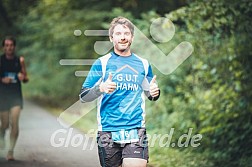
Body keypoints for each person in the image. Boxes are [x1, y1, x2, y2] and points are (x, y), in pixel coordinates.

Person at [79, 16, 160, 167]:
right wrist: (100, 88)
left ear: (132, 37)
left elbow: (150, 95)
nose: (123, 37)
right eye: (118, 34)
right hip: (108, 131)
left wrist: (155, 92)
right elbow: (83, 96)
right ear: (111, 38)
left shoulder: (143, 64)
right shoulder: (101, 64)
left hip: (136, 129)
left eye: (126, 33)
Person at [0, 36, 29, 161]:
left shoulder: (19, 60)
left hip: (16, 96)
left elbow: (26, 78)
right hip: (3, 96)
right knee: (5, 124)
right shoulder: (0, 61)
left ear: (14, 47)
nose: (9, 47)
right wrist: (2, 79)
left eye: (11, 45)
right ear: (3, 47)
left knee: (14, 123)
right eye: (6, 45)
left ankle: (10, 151)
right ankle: (1, 135)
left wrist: (23, 78)